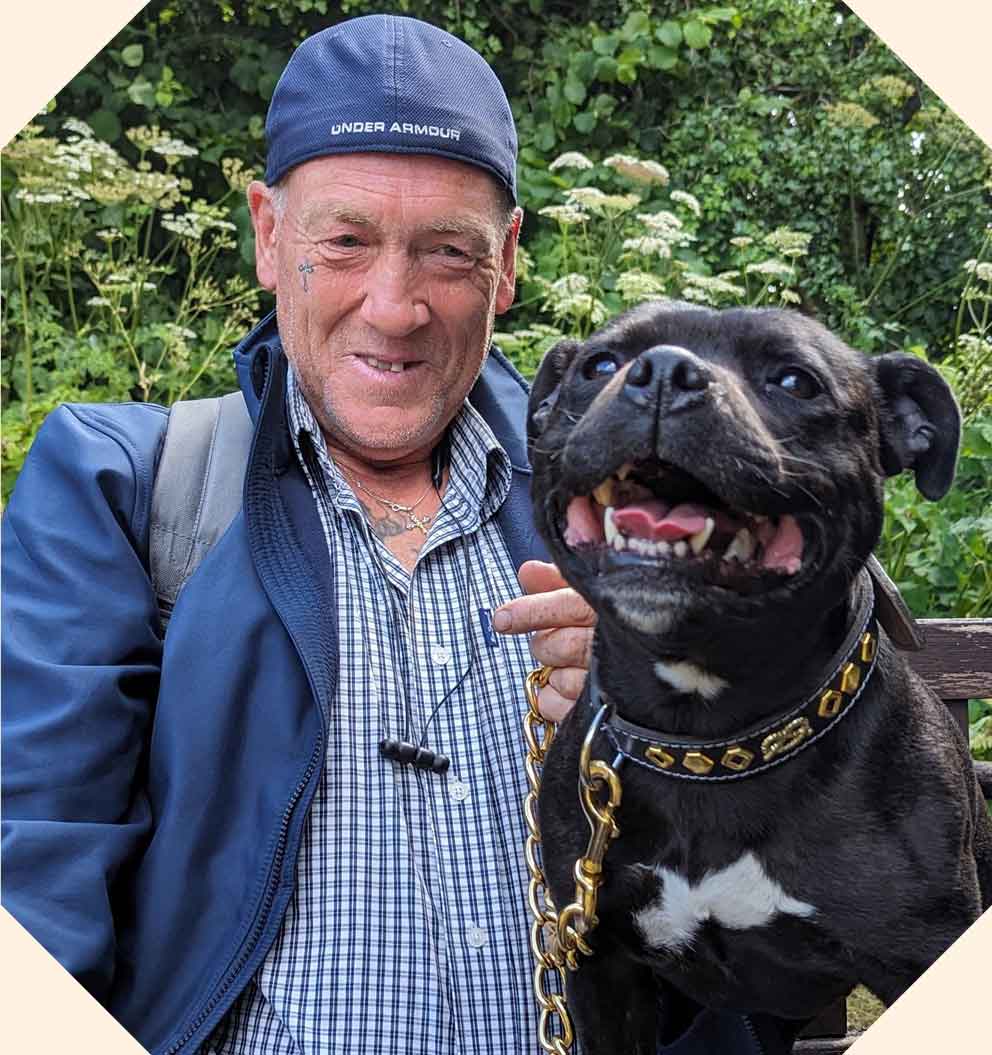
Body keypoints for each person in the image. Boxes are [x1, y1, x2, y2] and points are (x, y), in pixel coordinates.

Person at [2, 15, 773, 1055]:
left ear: (504, 264)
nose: (395, 305)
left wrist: (675, 717)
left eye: (446, 252)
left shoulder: (638, 515)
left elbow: (777, 888)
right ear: (269, 236)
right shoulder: (128, 487)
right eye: (345, 241)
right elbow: (32, 877)